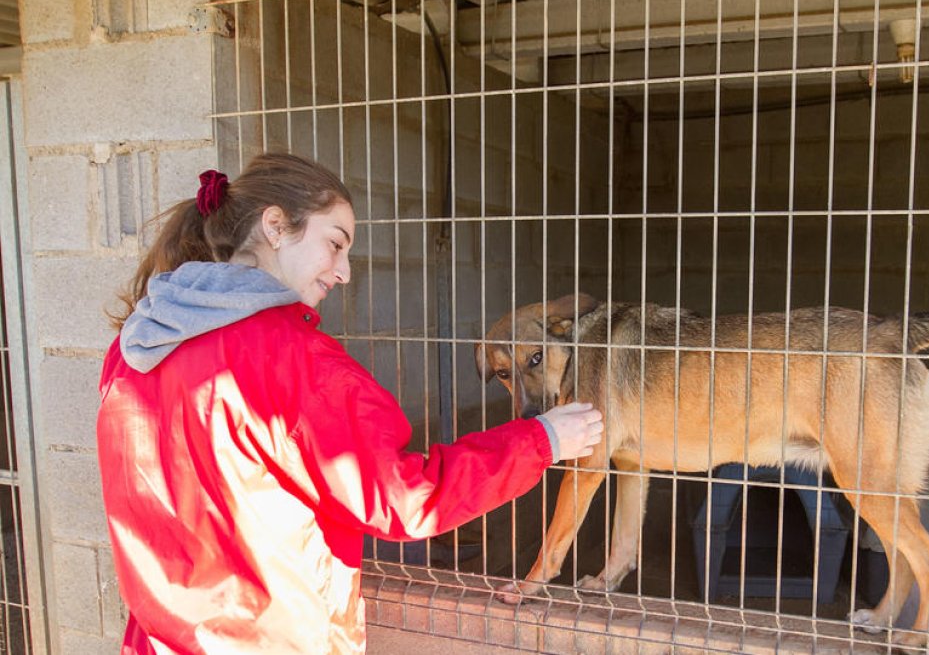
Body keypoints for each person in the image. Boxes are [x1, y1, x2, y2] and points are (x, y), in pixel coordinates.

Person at [96, 153, 604, 654]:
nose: (343, 272)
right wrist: (544, 439)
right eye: (334, 245)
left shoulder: (133, 349)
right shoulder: (293, 358)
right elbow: (405, 498)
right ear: (275, 226)